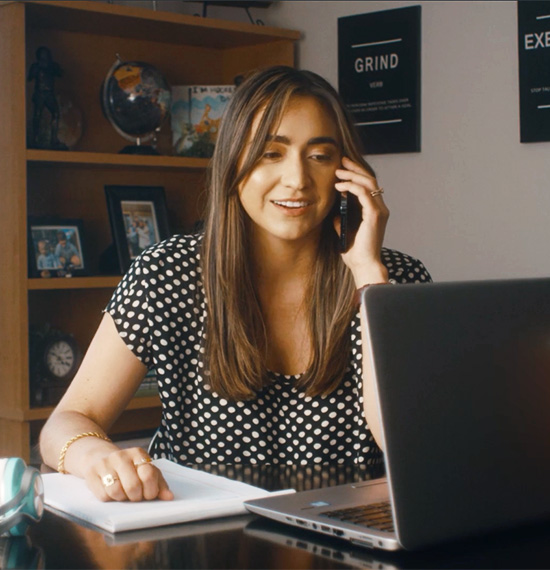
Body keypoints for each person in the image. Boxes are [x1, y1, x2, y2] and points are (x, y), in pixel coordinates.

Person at [39, 66, 431, 503]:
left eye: (319, 156)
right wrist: (93, 453)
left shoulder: (396, 280)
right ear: (234, 162)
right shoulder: (169, 273)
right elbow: (68, 419)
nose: (297, 179)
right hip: (203, 543)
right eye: (270, 153)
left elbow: (410, 447)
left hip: (343, 544)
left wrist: (368, 278)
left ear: (348, 173)